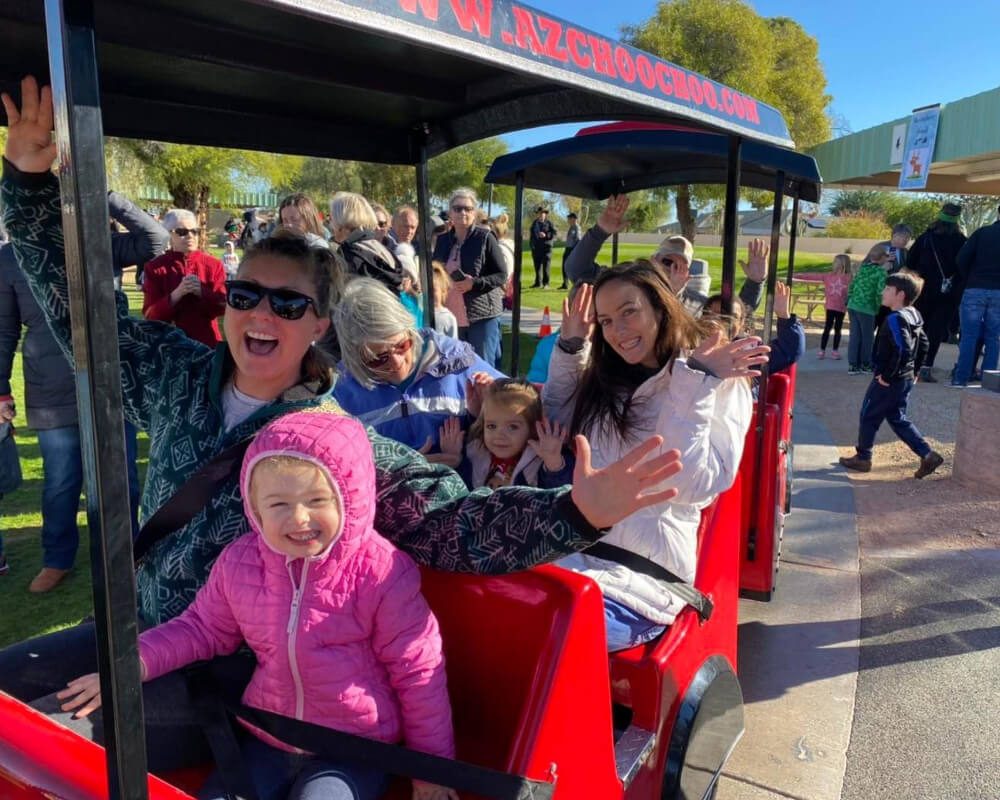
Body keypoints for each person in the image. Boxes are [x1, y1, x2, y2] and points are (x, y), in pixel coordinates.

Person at [1, 75, 687, 770]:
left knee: (45, 744)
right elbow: (77, 312)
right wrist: (29, 184)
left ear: (320, 325)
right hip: (138, 630)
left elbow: (457, 524)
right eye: (247, 295)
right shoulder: (175, 376)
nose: (263, 315)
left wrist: (574, 512)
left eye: (289, 304)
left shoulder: (339, 446)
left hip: (235, 671)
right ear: (226, 306)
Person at [59, 411, 458, 800]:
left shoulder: (382, 573)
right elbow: (201, 628)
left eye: (317, 499)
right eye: (279, 505)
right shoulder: (241, 561)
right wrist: (132, 664)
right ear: (254, 508)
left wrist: (431, 772)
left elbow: (418, 672)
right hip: (271, 735)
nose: (299, 518)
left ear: (351, 497)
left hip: (354, 748)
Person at [543, 264, 767, 651]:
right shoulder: (607, 379)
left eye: (629, 312)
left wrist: (695, 381)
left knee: (557, 636)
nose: (617, 331)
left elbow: (691, 483)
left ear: (661, 307)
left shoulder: (717, 379)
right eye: (607, 320)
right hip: (576, 553)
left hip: (646, 576)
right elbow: (558, 423)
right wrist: (570, 347)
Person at [0, 192, 160, 591]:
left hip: (110, 383)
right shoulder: (9, 258)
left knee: (119, 479)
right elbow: (4, 331)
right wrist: (1, 389)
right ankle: (57, 558)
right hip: (50, 388)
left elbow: (154, 240)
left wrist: (102, 194)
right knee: (60, 480)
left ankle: (128, 555)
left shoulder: (97, 244)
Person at [332, 277, 502, 457]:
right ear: (354, 358)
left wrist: (486, 412)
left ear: (410, 329)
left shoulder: (456, 360)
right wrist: (406, 470)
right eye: (378, 358)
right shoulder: (339, 392)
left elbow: (522, 412)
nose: (397, 362)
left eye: (402, 345)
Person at [565, 194, 769, 316]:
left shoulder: (696, 304)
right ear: (654, 260)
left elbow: (734, 318)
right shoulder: (627, 282)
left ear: (688, 275)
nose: (670, 269)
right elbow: (577, 271)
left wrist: (755, 281)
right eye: (667, 261)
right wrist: (600, 231)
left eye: (680, 266)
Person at [839, 272, 944, 479]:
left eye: (887, 289)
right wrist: (914, 371)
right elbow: (924, 344)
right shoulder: (914, 314)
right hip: (904, 379)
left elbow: (903, 348)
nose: (883, 292)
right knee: (897, 418)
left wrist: (888, 375)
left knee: (868, 414)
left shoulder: (895, 319)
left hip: (890, 380)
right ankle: (927, 454)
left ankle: (863, 457)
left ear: (900, 294)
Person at [438, 379, 574, 490]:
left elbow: (559, 496)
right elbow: (461, 494)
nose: (499, 435)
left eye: (513, 427)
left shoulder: (538, 461)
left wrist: (554, 464)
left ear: (533, 428)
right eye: (491, 426)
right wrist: (455, 461)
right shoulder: (476, 452)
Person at [431, 189, 506, 365]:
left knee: (483, 367)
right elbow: (436, 272)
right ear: (450, 212)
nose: (462, 213)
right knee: (454, 367)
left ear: (475, 212)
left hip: (481, 316)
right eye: (457, 208)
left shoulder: (485, 237)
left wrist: (474, 283)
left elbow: (501, 275)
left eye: (468, 208)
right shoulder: (443, 240)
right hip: (450, 315)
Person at [142, 209, 228, 347]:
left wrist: (202, 292)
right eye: (182, 232)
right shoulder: (155, 267)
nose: (190, 236)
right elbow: (150, 316)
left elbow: (223, 307)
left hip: (207, 345)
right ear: (169, 234)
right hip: (169, 348)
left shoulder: (213, 265)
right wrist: (176, 294)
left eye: (195, 231)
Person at [906, 203, 966, 382]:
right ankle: (926, 366)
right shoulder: (962, 241)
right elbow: (965, 266)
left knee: (918, 327)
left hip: (923, 289)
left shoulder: (926, 238)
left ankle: (910, 364)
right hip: (949, 292)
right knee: (937, 331)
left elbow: (910, 261)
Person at [701, 281, 805, 378]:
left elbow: (790, 350)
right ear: (704, 317)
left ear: (741, 323)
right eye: (716, 315)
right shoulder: (692, 344)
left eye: (733, 317)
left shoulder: (750, 352)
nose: (724, 321)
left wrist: (784, 316)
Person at [951, 204, 1000, 387]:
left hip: (975, 287)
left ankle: (961, 378)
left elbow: (961, 258)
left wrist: (969, 277)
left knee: (969, 337)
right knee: (993, 338)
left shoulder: (982, 233)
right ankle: (988, 382)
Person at [329, 191, 405, 295]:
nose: (330, 224)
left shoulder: (347, 255)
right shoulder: (382, 249)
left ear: (341, 221)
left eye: (331, 218)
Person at [846, 244, 891, 375]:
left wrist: (849, 299)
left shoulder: (862, 269)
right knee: (867, 337)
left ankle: (853, 365)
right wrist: (878, 306)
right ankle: (866, 364)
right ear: (883, 258)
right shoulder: (881, 272)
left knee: (855, 335)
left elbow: (852, 285)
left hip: (853, 304)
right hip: (867, 308)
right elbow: (879, 292)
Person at [818, 254, 852, 360]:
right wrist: (795, 275)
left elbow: (851, 291)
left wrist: (848, 304)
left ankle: (835, 350)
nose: (834, 264)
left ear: (842, 264)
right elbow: (813, 276)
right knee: (827, 328)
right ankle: (822, 350)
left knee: (838, 328)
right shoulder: (829, 276)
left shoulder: (849, 277)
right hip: (830, 307)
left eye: (836, 262)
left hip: (841, 308)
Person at [529, 206, 556, 289]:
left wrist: (546, 235)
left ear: (545, 214)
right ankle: (537, 283)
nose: (541, 215)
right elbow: (532, 235)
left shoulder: (549, 223)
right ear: (537, 214)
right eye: (539, 213)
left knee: (546, 267)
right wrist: (531, 245)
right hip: (536, 248)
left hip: (546, 248)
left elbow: (554, 234)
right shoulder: (534, 223)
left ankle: (546, 284)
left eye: (542, 213)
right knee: (537, 267)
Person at [431, 264, 459, 339]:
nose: (429, 294)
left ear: (443, 291)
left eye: (433, 290)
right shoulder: (420, 312)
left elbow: (453, 346)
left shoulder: (448, 317)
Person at [557, 212, 579, 290]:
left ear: (573, 219)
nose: (568, 220)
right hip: (568, 248)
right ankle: (565, 283)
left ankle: (574, 283)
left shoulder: (576, 228)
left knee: (569, 266)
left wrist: (574, 251)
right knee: (564, 266)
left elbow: (578, 240)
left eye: (569, 218)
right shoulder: (572, 227)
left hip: (572, 249)